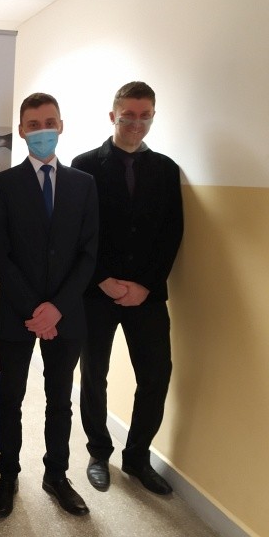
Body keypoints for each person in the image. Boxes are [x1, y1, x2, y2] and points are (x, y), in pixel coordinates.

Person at [0, 93, 98, 518]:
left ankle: (57, 475)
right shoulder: (3, 186)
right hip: (18, 311)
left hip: (67, 314)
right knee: (10, 397)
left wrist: (57, 308)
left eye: (49, 122)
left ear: (61, 126)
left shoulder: (83, 185)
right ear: (22, 131)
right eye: (33, 124)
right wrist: (36, 309)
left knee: (59, 399)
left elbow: (89, 253)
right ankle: (8, 475)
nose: (42, 130)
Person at [71, 81, 183, 496]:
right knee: (94, 374)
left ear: (153, 116)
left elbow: (171, 234)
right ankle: (98, 452)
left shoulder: (166, 170)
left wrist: (146, 286)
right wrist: (102, 278)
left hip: (146, 295)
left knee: (156, 375)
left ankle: (136, 457)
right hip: (96, 292)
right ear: (113, 116)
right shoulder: (84, 165)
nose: (137, 123)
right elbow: (78, 231)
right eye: (129, 115)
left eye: (145, 115)